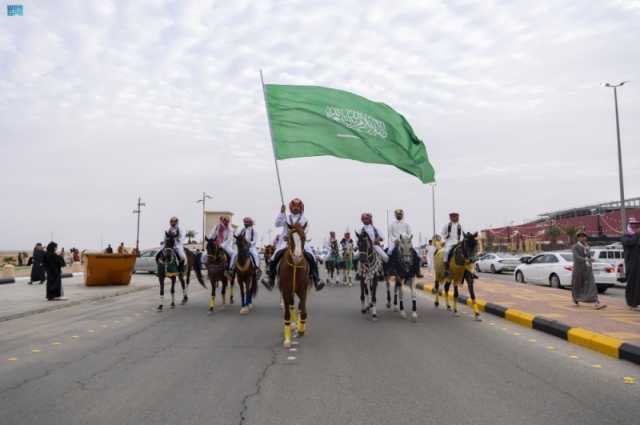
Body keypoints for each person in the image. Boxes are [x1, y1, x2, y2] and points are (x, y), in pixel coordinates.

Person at [263, 198, 324, 291]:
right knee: (274, 256)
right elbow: (277, 224)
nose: (296, 208)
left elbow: (306, 231)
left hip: (300, 242)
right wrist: (281, 213)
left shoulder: (304, 220)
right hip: (286, 242)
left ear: (301, 208)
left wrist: (300, 237)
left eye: (298, 206)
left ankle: (316, 279)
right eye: (294, 206)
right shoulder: (286, 218)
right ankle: (270, 279)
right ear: (291, 207)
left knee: (312, 256)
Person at [571, 231, 606, 309]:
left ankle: (596, 302)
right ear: (578, 238)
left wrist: (587, 250)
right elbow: (577, 257)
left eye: (584, 236)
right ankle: (576, 298)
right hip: (579, 269)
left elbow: (588, 256)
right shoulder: (575, 247)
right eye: (581, 236)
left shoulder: (587, 246)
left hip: (588, 268)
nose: (583, 238)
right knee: (578, 285)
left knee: (591, 284)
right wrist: (587, 259)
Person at [388, 209, 423, 277]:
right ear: (395, 215)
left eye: (400, 214)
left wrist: (407, 238)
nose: (399, 215)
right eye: (398, 214)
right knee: (389, 252)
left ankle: (418, 271)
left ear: (402, 215)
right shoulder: (392, 225)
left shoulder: (406, 224)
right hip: (396, 242)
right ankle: (390, 269)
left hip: (405, 243)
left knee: (416, 254)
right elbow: (391, 235)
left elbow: (410, 233)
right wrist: (395, 240)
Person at [622, 217, 640, 309]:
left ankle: (637, 302)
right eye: (632, 224)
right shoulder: (626, 235)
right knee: (632, 283)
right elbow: (630, 243)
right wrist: (636, 234)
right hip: (631, 264)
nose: (635, 226)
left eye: (636, 224)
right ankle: (631, 303)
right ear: (629, 225)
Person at [442, 212, 464, 277]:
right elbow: (442, 233)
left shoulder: (460, 226)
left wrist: (460, 240)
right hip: (449, 243)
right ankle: (446, 269)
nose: (456, 218)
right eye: (454, 217)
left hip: (458, 242)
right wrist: (446, 237)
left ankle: (469, 269)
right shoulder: (447, 225)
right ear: (451, 218)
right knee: (446, 252)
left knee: (466, 252)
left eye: (457, 217)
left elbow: (463, 234)